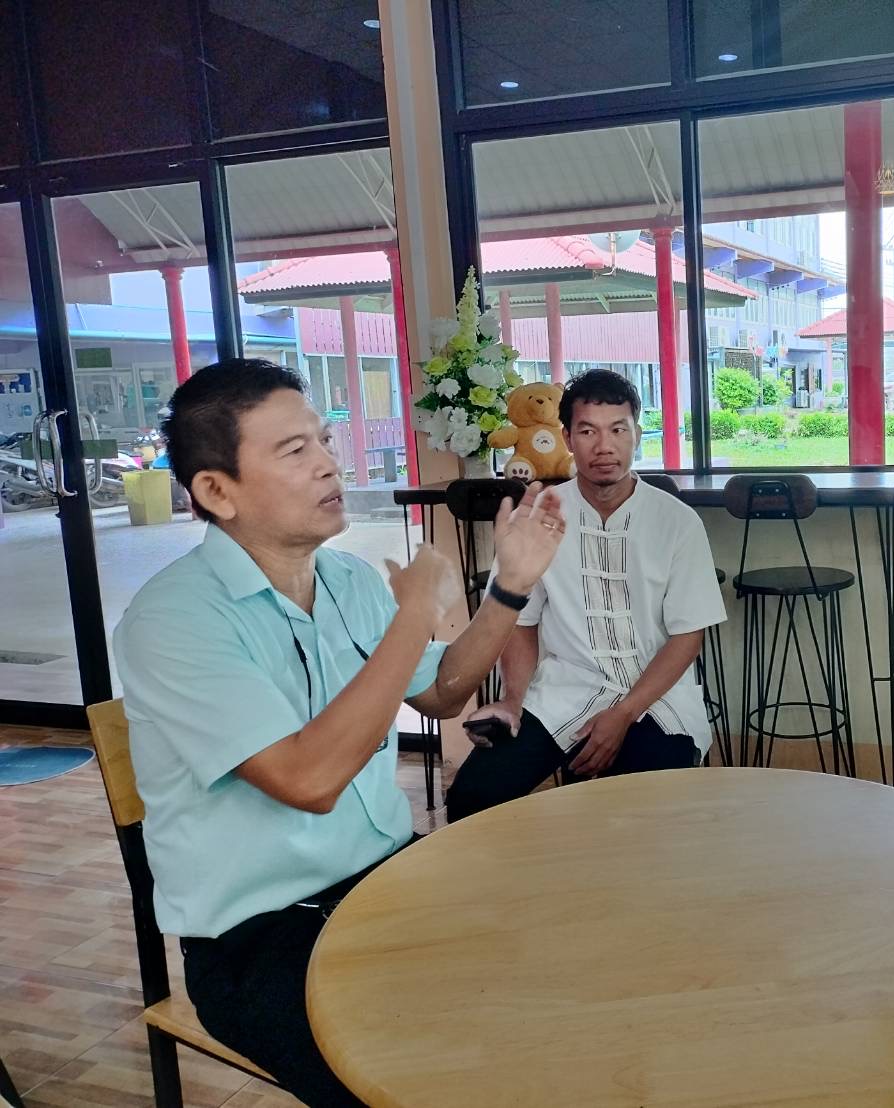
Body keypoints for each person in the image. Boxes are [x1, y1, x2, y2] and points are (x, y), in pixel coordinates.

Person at [115, 358, 566, 1107]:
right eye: (295, 450)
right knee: (429, 1084)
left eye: (324, 440)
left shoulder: (348, 580)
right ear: (217, 491)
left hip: (384, 880)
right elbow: (308, 779)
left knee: (553, 986)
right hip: (261, 938)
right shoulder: (173, 619)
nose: (330, 463)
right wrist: (416, 612)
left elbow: (443, 693)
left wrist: (510, 585)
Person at [444, 369, 725, 820]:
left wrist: (625, 713)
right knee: (472, 797)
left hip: (656, 698)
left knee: (637, 813)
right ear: (567, 438)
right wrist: (513, 699)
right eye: (588, 431)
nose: (604, 446)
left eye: (618, 430)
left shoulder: (677, 521)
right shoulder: (542, 516)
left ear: (637, 435)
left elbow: (687, 636)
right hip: (564, 691)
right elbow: (521, 621)